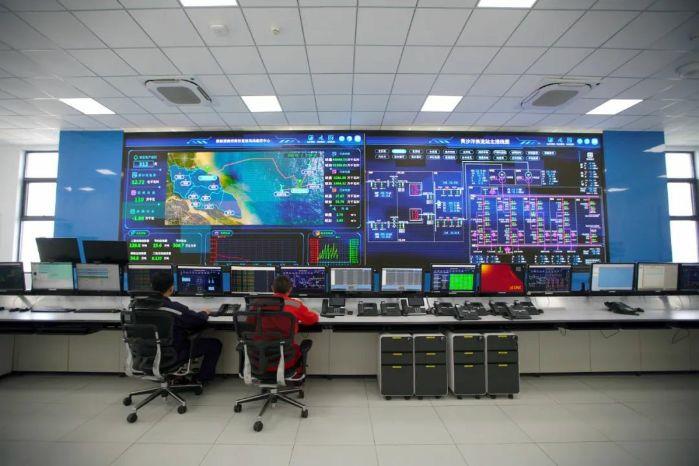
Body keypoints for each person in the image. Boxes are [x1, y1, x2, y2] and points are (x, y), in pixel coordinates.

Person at [150, 271, 222, 384]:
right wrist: (204, 313)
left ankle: (176, 377)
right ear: (171, 288)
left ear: (151, 286)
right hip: (173, 353)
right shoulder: (174, 308)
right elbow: (197, 320)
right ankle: (201, 379)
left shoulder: (138, 307)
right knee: (214, 344)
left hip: (146, 353)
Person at [269, 275, 319, 371]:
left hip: (258, 358)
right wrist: (314, 313)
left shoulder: (258, 303)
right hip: (286, 358)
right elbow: (312, 319)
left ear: (272, 288)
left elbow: (248, 324)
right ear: (290, 289)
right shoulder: (293, 304)